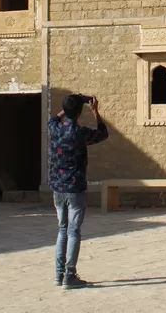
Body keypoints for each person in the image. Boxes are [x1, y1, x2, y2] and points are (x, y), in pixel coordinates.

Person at [48, 93, 109, 289]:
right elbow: (102, 133)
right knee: (74, 232)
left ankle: (59, 274)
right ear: (79, 113)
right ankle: (70, 275)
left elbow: (53, 119)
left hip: (58, 188)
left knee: (62, 230)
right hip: (75, 188)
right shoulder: (80, 133)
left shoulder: (55, 129)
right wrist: (95, 111)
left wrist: (68, 107)